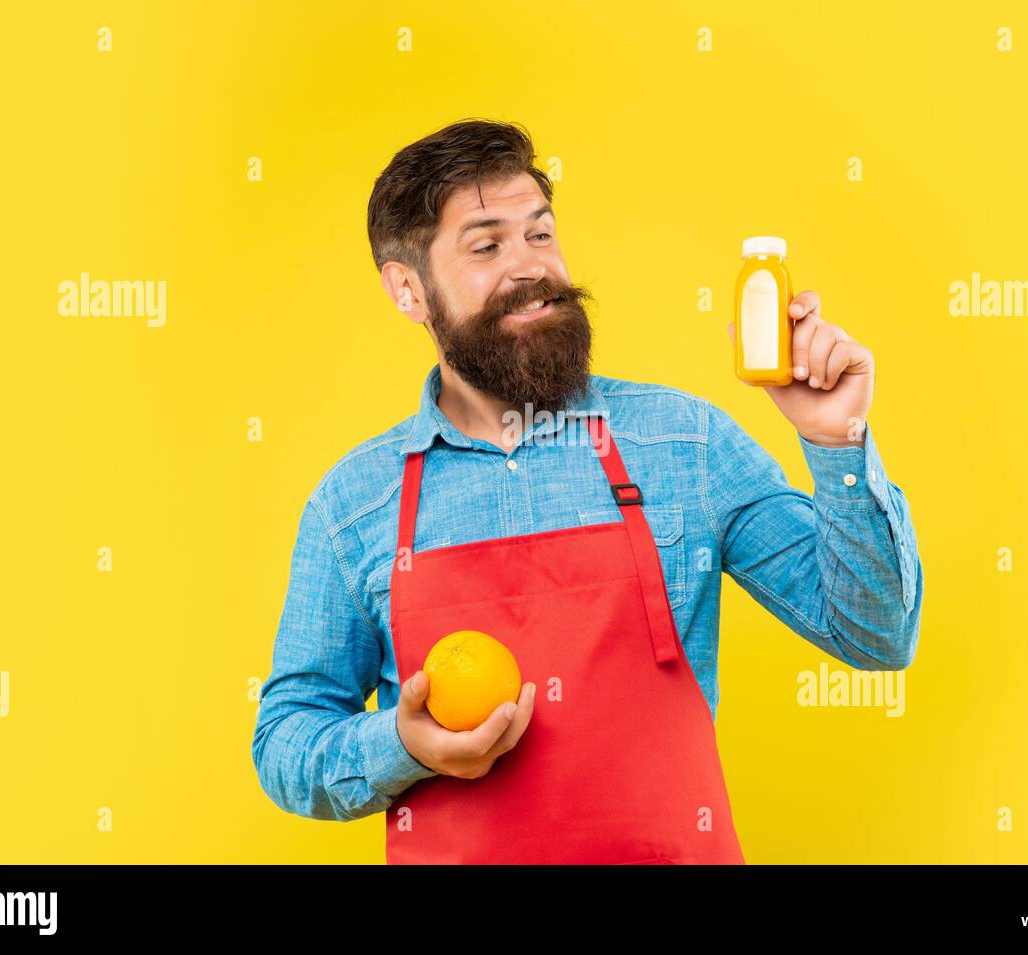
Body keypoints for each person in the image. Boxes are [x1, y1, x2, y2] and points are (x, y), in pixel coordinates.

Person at [251, 118, 923, 864]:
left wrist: (838, 443)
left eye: (541, 234)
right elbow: (286, 740)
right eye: (487, 245)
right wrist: (399, 743)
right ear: (407, 289)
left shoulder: (682, 444)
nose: (530, 266)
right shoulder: (355, 505)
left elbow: (875, 633)